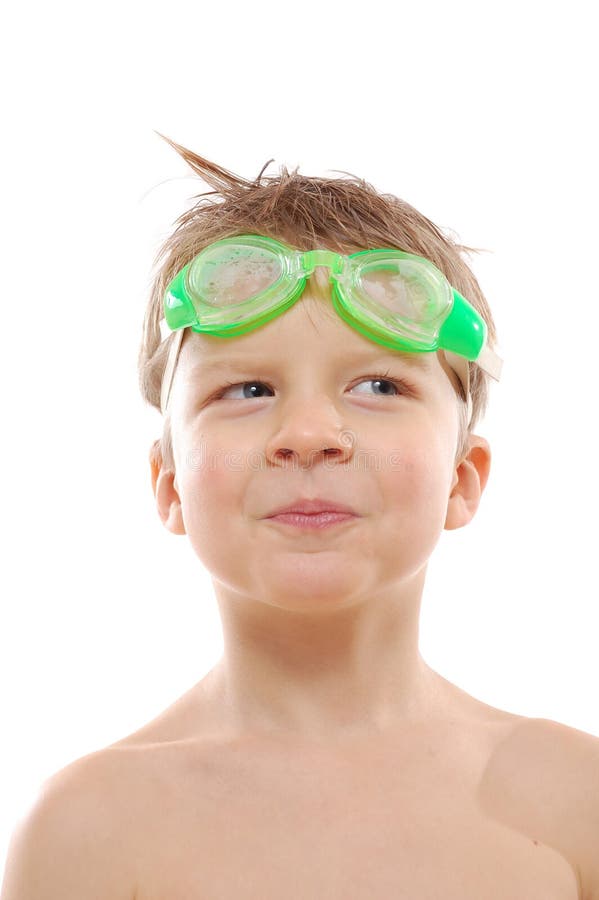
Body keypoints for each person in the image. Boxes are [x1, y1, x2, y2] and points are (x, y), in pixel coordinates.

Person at [2, 134, 598, 899]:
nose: (309, 434)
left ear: (462, 477)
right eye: (247, 390)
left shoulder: (575, 802)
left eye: (378, 386)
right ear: (169, 483)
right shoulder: (87, 831)